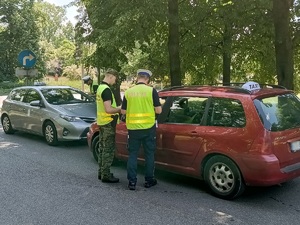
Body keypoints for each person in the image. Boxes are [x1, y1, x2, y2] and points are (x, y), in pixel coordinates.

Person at [121, 69, 162, 190]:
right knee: (149, 154)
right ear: (147, 79)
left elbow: (123, 111)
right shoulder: (151, 91)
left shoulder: (128, 92)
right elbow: (158, 110)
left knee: (132, 154)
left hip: (133, 129)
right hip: (148, 128)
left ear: (137, 77)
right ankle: (149, 180)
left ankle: (132, 182)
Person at [96, 68, 121, 183]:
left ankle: (101, 172)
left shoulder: (100, 88)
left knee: (102, 148)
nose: (115, 82)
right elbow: (108, 109)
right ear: (111, 76)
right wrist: (120, 109)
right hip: (108, 123)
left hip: (101, 122)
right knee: (108, 149)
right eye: (115, 79)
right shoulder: (106, 90)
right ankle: (106, 175)